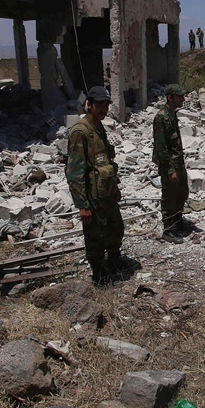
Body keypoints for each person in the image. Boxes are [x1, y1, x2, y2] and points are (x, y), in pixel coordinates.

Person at [66, 86, 125, 285]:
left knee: (116, 229)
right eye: (99, 105)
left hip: (107, 193)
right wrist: (82, 205)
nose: (103, 109)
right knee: (95, 237)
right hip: (93, 198)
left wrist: (115, 188)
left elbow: (106, 162)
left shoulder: (99, 127)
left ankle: (114, 260)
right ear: (89, 105)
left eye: (106, 105)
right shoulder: (80, 131)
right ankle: (99, 272)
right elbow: (74, 173)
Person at [153, 83, 189, 244]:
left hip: (178, 162)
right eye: (179, 96)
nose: (183, 99)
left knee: (182, 193)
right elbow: (161, 148)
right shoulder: (161, 117)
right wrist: (170, 170)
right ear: (170, 97)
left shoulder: (172, 115)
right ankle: (169, 229)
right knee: (169, 197)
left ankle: (177, 221)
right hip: (169, 165)